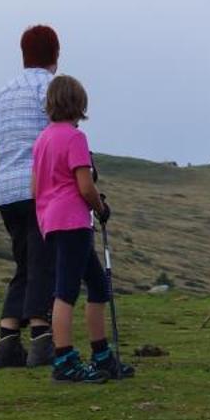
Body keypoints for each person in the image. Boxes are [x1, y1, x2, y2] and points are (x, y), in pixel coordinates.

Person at [31, 75, 133, 383]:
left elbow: (35, 188)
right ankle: (64, 360)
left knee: (98, 285)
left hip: (50, 220)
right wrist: (100, 208)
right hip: (73, 220)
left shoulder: (42, 139)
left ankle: (102, 355)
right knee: (66, 291)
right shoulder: (75, 138)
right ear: (79, 104)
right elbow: (85, 186)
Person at [0, 25, 59, 369]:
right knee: (42, 263)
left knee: (24, 262)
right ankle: (42, 339)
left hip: (5, 189)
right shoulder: (51, 88)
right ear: (55, 55)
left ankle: (7, 340)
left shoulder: (2, 93)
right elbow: (59, 137)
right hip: (39, 187)